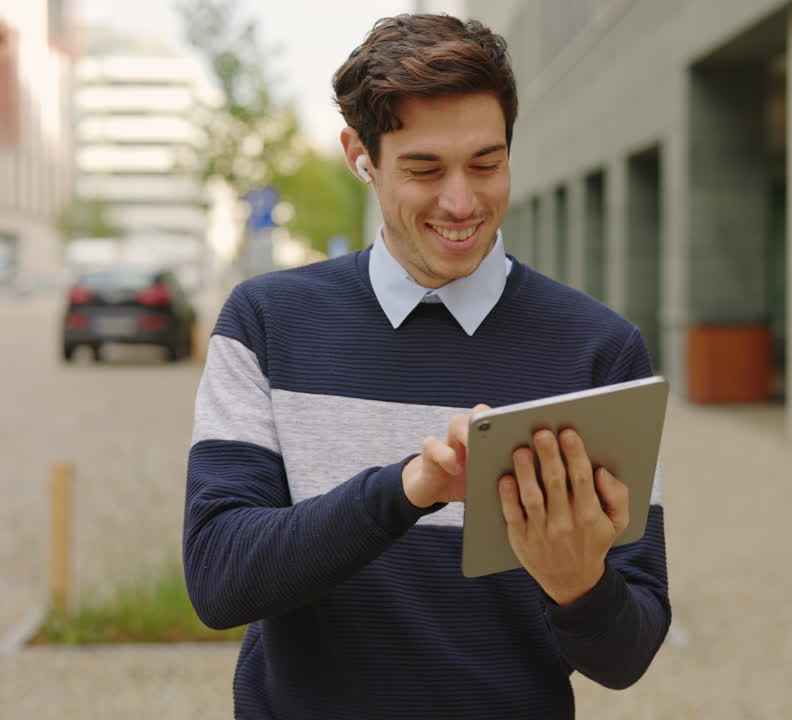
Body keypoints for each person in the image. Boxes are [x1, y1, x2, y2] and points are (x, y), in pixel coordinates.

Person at [183, 14, 670, 719]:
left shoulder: (599, 350)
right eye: (424, 169)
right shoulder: (266, 323)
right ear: (361, 156)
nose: (461, 203)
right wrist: (409, 488)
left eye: (486, 164)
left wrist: (578, 585)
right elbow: (219, 581)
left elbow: (629, 656)